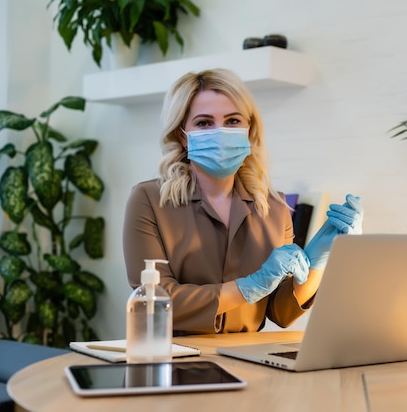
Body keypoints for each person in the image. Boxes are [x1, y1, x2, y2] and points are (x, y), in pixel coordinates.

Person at [122, 68, 363, 335]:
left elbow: (281, 312)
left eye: (233, 121)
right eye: (204, 123)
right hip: (173, 357)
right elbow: (157, 301)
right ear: (182, 135)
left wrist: (317, 261)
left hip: (246, 358)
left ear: (249, 129)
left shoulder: (274, 207)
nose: (221, 133)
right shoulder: (148, 201)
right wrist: (250, 286)